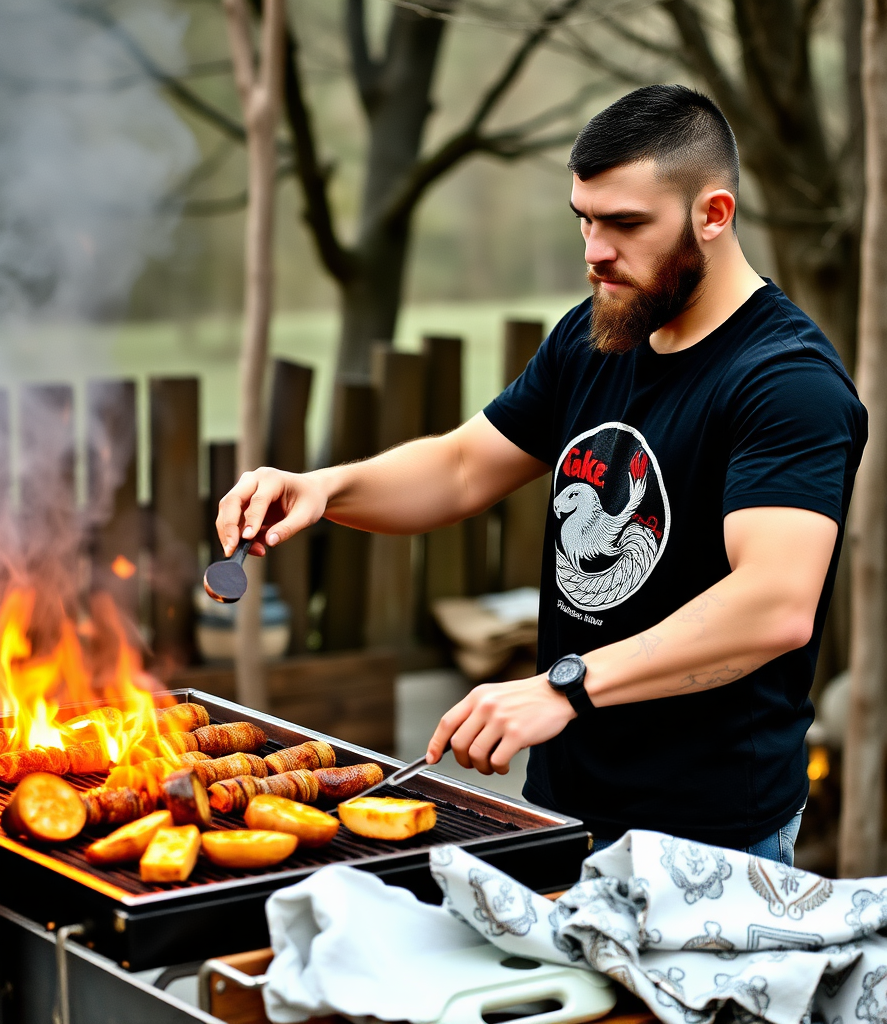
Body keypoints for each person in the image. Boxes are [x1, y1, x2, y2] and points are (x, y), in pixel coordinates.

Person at [216, 85, 867, 865]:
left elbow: (774, 603)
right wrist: (324, 489)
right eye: (584, 220)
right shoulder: (598, 335)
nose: (594, 250)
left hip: (716, 839)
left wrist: (562, 686)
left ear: (713, 214)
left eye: (626, 224)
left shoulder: (786, 382)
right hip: (566, 809)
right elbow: (461, 468)